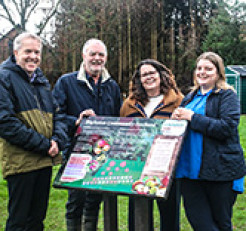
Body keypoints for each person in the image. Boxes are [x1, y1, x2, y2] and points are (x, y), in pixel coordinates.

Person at [0, 32, 68, 231]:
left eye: (37, 52)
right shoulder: (4, 78)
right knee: (18, 222)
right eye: (27, 51)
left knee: (37, 220)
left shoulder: (41, 80)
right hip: (21, 163)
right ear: (15, 52)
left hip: (44, 161)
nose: (33, 56)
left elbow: (58, 115)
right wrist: (45, 145)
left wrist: (57, 140)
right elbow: (5, 123)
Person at [52, 38, 122, 231]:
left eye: (101, 55)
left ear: (106, 58)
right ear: (84, 56)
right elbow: (55, 116)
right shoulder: (66, 82)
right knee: (76, 202)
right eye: (93, 54)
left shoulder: (112, 86)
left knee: (94, 201)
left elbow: (118, 120)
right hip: (76, 153)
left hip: (103, 154)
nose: (97, 58)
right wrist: (75, 120)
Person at [172, 52, 246, 231]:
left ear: (219, 72)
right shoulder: (190, 97)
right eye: (199, 68)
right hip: (190, 172)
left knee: (221, 223)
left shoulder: (227, 95)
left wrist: (192, 117)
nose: (202, 72)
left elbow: (226, 128)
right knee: (200, 223)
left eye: (208, 68)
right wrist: (175, 119)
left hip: (219, 171)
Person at [120, 59, 183, 231]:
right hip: (137, 167)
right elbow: (123, 132)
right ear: (139, 80)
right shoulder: (129, 104)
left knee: (170, 216)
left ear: (161, 75)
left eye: (151, 73)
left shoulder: (177, 100)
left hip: (167, 169)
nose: (148, 77)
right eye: (144, 75)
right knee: (138, 215)